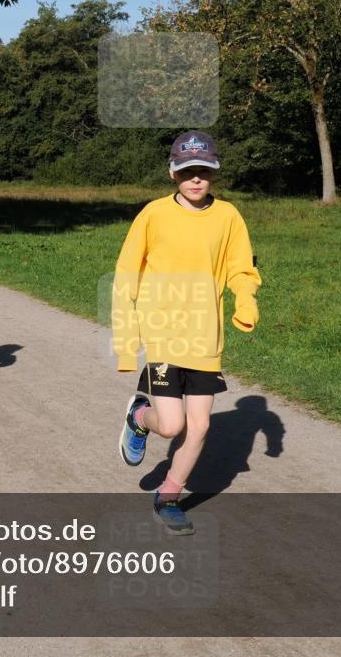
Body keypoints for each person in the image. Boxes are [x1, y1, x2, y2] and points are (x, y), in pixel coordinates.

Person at [112, 131, 261, 535]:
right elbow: (126, 274)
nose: (196, 179)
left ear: (214, 173)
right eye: (187, 171)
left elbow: (241, 267)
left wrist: (245, 301)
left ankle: (168, 496)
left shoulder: (228, 216)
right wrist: (127, 342)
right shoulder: (154, 215)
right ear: (173, 172)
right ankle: (140, 417)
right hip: (162, 333)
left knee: (200, 427)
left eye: (204, 171)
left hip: (205, 338)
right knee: (173, 425)